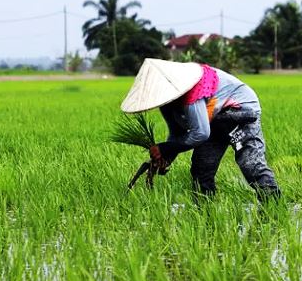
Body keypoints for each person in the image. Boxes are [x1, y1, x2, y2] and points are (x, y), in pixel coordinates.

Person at [120, 58, 280, 200]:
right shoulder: (167, 104)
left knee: (250, 164)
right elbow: (177, 133)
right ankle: (205, 214)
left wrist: (164, 148)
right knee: (201, 169)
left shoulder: (191, 93)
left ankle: (274, 206)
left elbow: (200, 134)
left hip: (239, 112)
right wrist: (166, 157)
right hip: (212, 120)